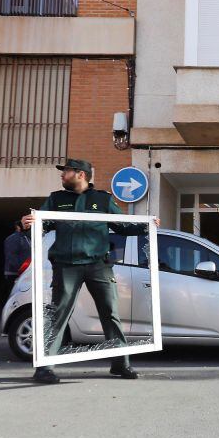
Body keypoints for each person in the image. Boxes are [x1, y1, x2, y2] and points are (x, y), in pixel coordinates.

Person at [21, 158, 160, 384]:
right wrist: (30, 224)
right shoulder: (57, 199)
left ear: (81, 174)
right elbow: (42, 225)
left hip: (99, 266)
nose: (62, 175)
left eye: (65, 171)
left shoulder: (102, 200)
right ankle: (44, 368)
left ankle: (120, 365)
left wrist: (147, 224)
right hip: (66, 266)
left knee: (110, 314)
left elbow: (122, 226)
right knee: (57, 315)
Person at [2, 220, 30, 306]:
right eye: (26, 225)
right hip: (15, 273)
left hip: (24, 272)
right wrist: (22, 269)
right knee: (14, 298)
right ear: (18, 227)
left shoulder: (27, 238)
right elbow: (11, 257)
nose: (28, 227)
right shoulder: (13, 238)